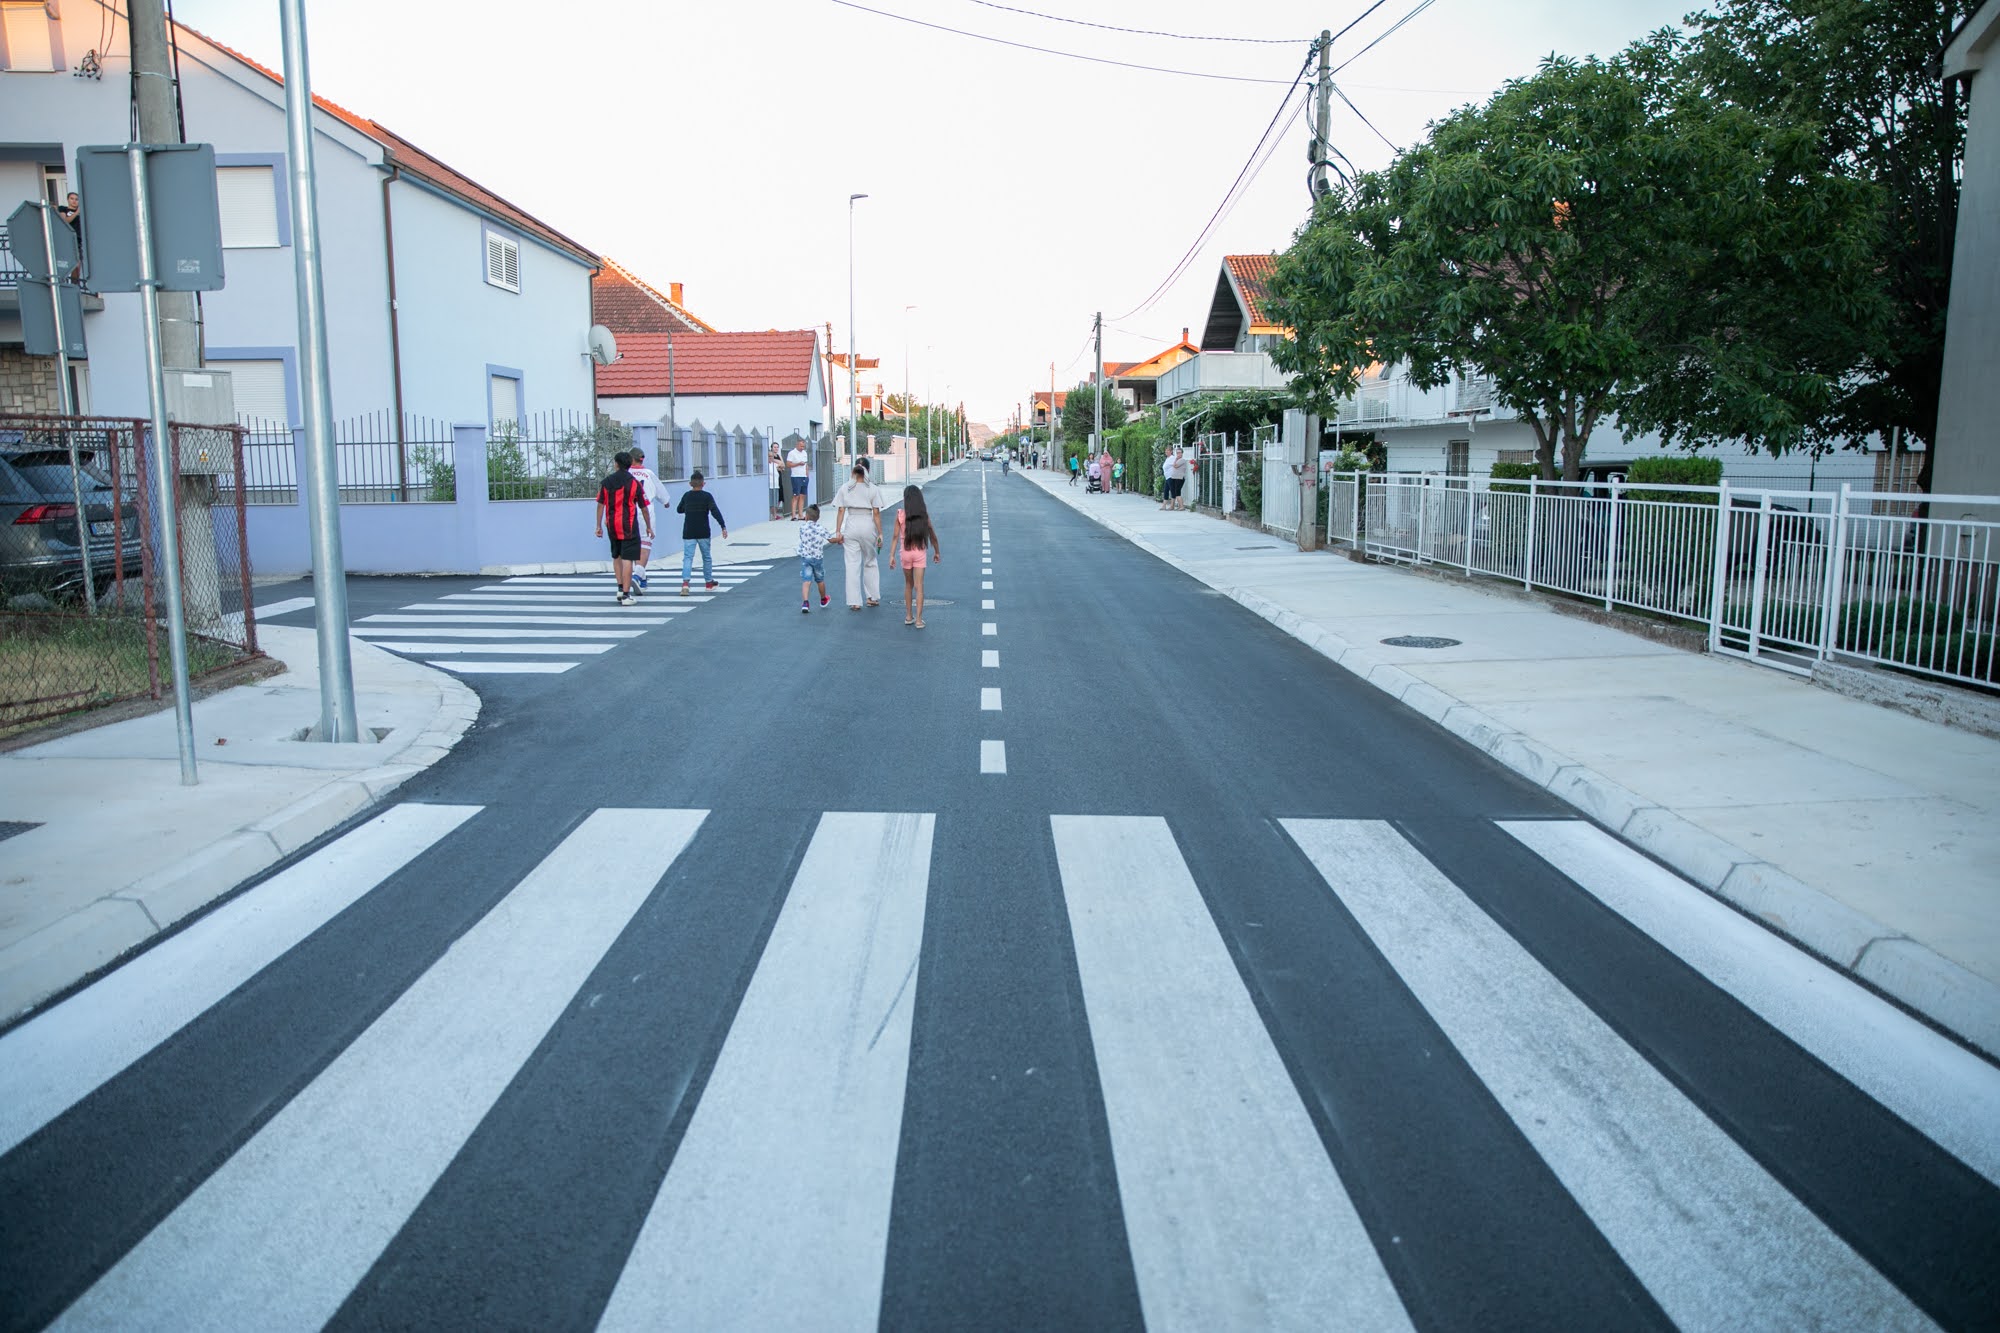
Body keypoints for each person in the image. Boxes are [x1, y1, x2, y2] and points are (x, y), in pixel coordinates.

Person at [594, 450, 652, 605]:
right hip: (629, 525)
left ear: (616, 464)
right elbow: (644, 507)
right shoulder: (634, 483)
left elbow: (600, 505)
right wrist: (648, 527)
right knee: (628, 559)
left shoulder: (606, 482)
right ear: (629, 464)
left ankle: (620, 588)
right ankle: (626, 595)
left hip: (612, 525)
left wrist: (598, 525)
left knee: (617, 556)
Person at [832, 461, 884, 610]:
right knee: (870, 560)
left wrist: (838, 531)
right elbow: (876, 513)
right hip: (867, 522)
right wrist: (880, 533)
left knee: (852, 564)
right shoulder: (873, 489)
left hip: (852, 523)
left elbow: (841, 510)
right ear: (868, 470)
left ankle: (854, 601)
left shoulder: (845, 488)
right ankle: (871, 597)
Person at [891, 484, 942, 628]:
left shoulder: (900, 514)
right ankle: (919, 620)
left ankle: (908, 616)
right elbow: (933, 536)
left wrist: (891, 556)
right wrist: (937, 552)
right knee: (919, 586)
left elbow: (895, 537)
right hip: (919, 553)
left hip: (905, 553)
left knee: (908, 584)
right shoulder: (924, 516)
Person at [675, 469, 728, 594]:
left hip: (688, 531)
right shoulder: (707, 496)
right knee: (706, 557)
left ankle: (685, 584)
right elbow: (715, 511)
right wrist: (723, 526)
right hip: (703, 531)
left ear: (690, 484)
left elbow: (679, 509)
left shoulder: (687, 496)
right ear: (703, 483)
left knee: (688, 558)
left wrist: (688, 509)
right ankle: (709, 583)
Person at [628, 444, 663, 595]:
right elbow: (663, 495)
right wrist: (666, 502)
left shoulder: (626, 473)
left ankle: (642, 578)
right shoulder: (649, 474)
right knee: (645, 543)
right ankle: (636, 575)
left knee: (632, 544)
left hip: (628, 511)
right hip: (646, 510)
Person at [798, 503, 833, 612]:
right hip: (817, 558)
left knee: (806, 580)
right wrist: (840, 539)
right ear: (818, 517)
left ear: (806, 517)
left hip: (806, 558)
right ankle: (823, 599)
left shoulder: (802, 528)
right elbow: (830, 539)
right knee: (820, 580)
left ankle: (805, 603)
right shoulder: (821, 528)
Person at [786, 437, 812, 519]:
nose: (802, 448)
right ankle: (793, 515)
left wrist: (807, 475)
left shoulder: (804, 453)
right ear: (797, 445)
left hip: (804, 476)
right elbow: (788, 464)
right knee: (796, 495)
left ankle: (801, 514)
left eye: (803, 446)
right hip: (796, 476)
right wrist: (798, 464)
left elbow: (806, 464)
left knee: (802, 495)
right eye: (801, 446)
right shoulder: (792, 453)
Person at [768, 438, 786, 520]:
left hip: (778, 475)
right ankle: (773, 513)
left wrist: (778, 464)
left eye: (777, 447)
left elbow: (783, 465)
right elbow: (778, 464)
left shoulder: (779, 456)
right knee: (772, 496)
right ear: (771, 448)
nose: (776, 448)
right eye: (774, 447)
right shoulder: (770, 456)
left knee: (779, 495)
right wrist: (776, 462)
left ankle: (775, 512)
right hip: (773, 477)